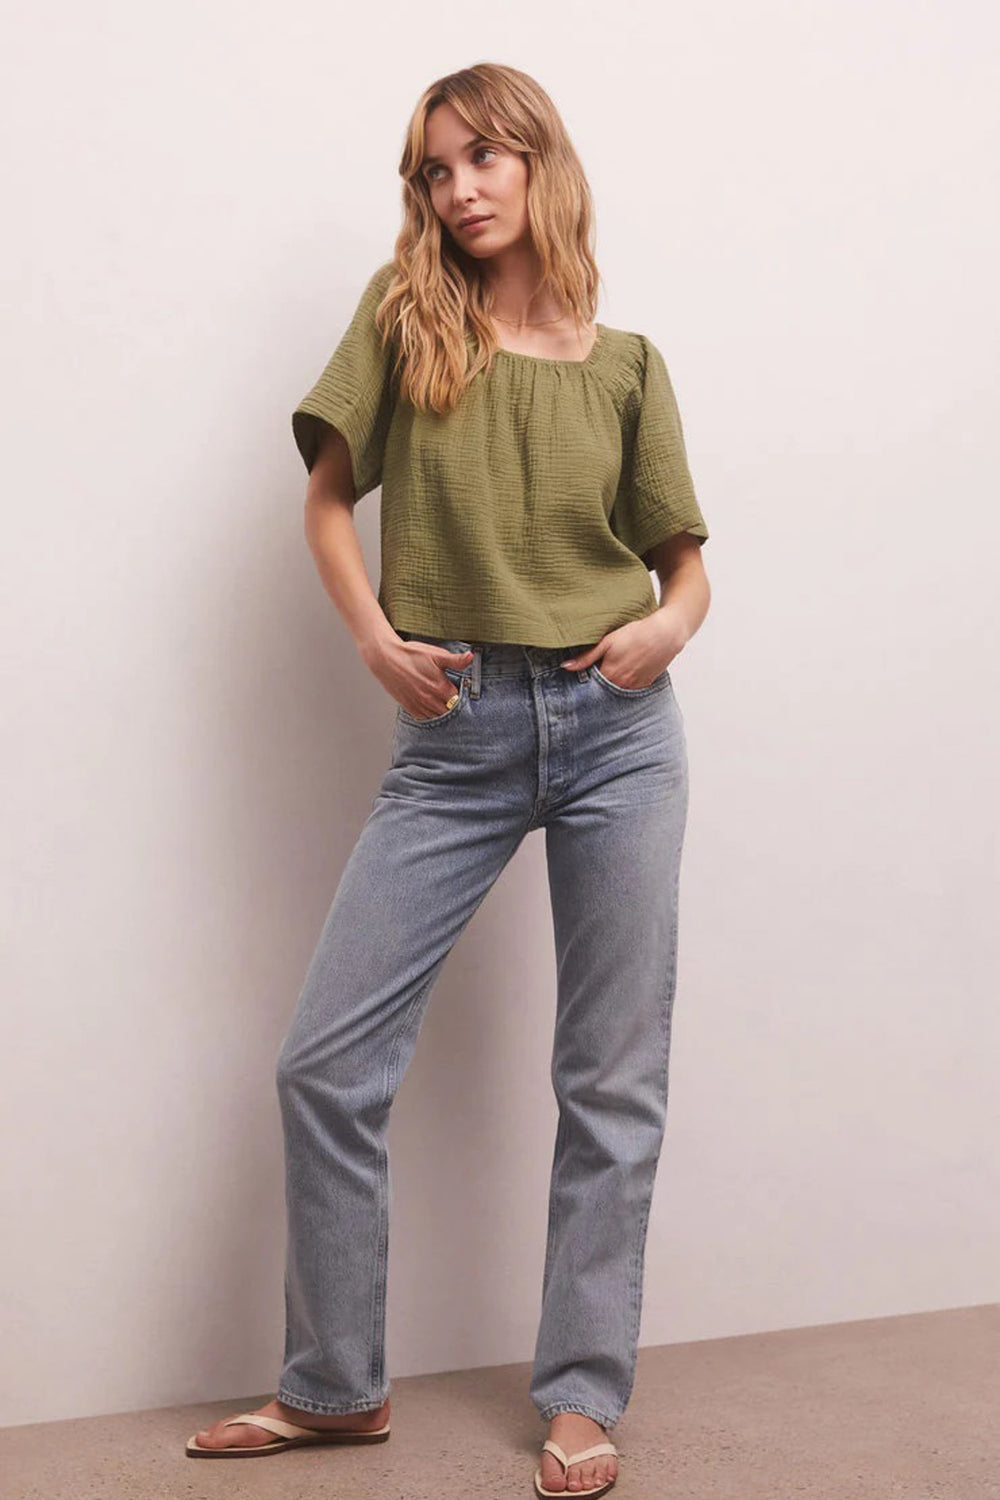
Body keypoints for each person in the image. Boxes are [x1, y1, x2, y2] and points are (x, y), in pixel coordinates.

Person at [186, 61, 711, 1500]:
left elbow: (683, 570)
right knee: (326, 1065)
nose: (461, 188)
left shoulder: (629, 364)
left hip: (620, 729)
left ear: (541, 161)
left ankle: (583, 1395)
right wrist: (375, 643)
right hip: (457, 732)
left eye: (484, 156)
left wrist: (665, 632)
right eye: (435, 168)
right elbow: (323, 502)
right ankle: (335, 1387)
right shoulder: (406, 315)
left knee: (609, 1078)